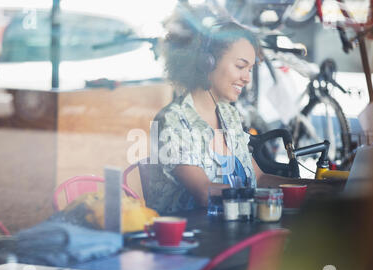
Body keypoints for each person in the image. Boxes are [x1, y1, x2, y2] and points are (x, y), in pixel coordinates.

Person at [146, 5, 342, 215]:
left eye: (250, 69)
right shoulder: (173, 121)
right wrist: (269, 197)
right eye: (240, 67)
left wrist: (311, 187)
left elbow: (259, 178)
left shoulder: (228, 114)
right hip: (199, 240)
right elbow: (205, 193)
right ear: (207, 63)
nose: (247, 78)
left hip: (236, 231)